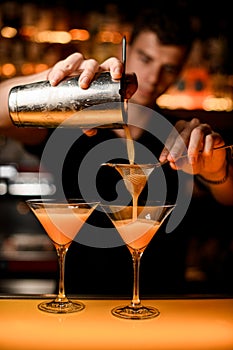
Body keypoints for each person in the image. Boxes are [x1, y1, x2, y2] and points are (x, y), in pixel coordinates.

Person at [0, 6, 233, 295]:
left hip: (163, 304)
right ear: (127, 50)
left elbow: (228, 197)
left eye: (169, 67)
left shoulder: (180, 135)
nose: (152, 76)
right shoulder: (70, 122)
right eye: (146, 59)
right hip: (80, 300)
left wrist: (218, 170)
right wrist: (50, 84)